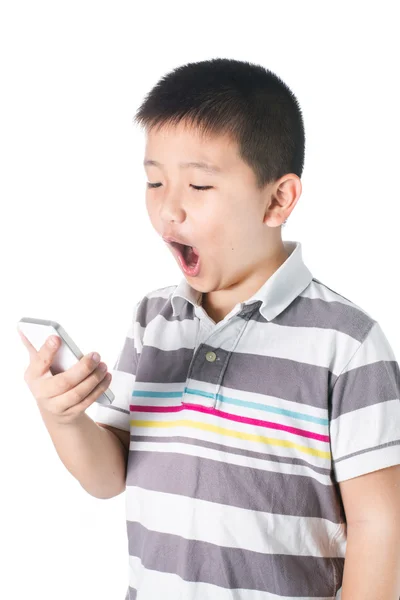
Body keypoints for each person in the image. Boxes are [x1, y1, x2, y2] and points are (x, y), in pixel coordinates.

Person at [20, 58, 400, 599]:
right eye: (154, 180)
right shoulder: (154, 320)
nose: (167, 208)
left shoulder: (348, 343)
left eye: (198, 185)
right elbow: (108, 477)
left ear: (278, 199)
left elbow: (380, 526)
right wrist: (64, 417)